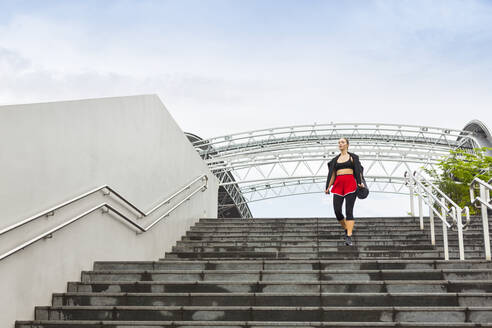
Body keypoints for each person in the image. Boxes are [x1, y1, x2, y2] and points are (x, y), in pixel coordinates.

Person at [325, 138, 365, 246]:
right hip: (338, 184)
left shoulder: (353, 157)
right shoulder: (334, 160)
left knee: (349, 211)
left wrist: (361, 182)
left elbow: (358, 171)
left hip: (350, 184)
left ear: (347, 145)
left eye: (342, 142)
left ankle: (348, 236)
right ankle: (347, 228)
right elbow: (332, 175)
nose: (340, 144)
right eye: (338, 142)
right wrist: (328, 187)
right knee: (337, 211)